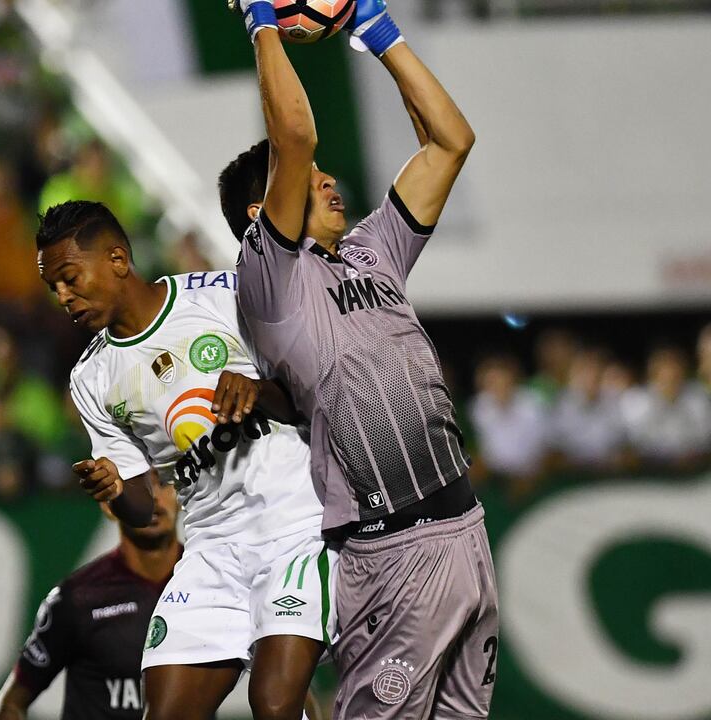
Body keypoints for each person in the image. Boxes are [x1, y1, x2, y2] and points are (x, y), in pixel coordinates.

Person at [222, 1, 497, 717]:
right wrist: (263, 20)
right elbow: (293, 135)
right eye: (310, 179)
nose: (327, 179)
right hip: (392, 552)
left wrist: (377, 29)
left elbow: (451, 141)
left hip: (465, 529)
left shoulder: (374, 250)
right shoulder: (269, 282)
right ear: (260, 215)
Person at [35, 201, 333, 719]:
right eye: (53, 287)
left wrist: (259, 390)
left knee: (274, 704)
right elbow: (142, 508)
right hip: (211, 548)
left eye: (69, 278)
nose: (63, 296)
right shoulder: (91, 378)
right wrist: (115, 490)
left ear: (117, 259)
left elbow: (318, 393)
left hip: (296, 527)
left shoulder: (222, 295)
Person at [0, 474, 182, 720]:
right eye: (136, 485)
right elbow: (12, 702)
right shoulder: (76, 599)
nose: (153, 497)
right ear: (109, 506)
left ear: (183, 495)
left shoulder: (213, 585)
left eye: (164, 483)